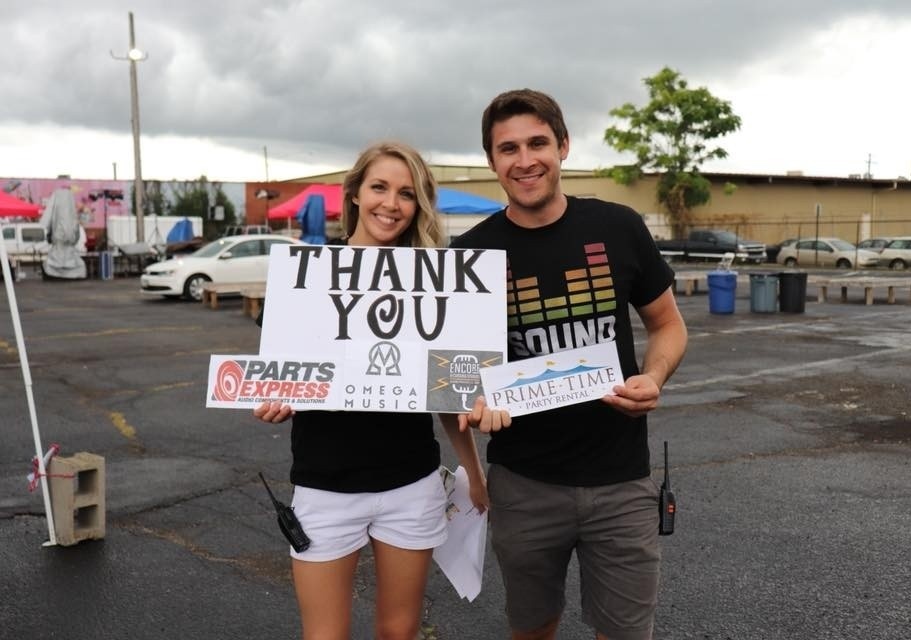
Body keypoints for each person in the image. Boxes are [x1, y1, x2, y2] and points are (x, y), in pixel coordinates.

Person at [445, 89, 688, 640]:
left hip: (622, 480)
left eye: (537, 143)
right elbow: (454, 375)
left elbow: (668, 324)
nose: (524, 160)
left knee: (626, 632)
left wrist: (653, 377)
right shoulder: (469, 257)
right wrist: (472, 405)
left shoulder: (618, 227)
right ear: (491, 161)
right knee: (533, 628)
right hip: (524, 485)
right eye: (508, 148)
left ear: (564, 146)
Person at [253, 141, 488, 640]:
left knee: (399, 632)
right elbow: (279, 374)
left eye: (407, 193)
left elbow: (448, 391)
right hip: (324, 485)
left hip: (410, 485)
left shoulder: (434, 281)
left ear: (419, 205)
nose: (391, 203)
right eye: (379, 187)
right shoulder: (308, 275)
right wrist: (276, 399)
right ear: (355, 193)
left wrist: (473, 469)